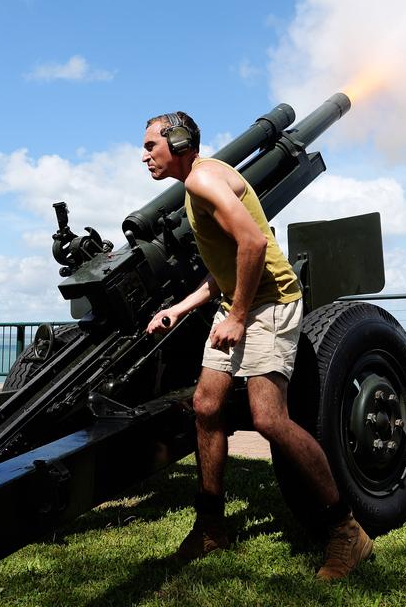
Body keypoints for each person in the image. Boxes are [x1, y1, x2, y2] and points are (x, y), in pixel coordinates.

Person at [142, 110, 373, 580]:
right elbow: (225, 265)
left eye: (151, 146)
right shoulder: (200, 185)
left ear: (181, 142)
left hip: (269, 304)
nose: (144, 155)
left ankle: (346, 531)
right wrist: (180, 309)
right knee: (206, 406)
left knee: (269, 418)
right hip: (239, 304)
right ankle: (210, 526)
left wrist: (239, 317)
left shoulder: (201, 182)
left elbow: (250, 245)